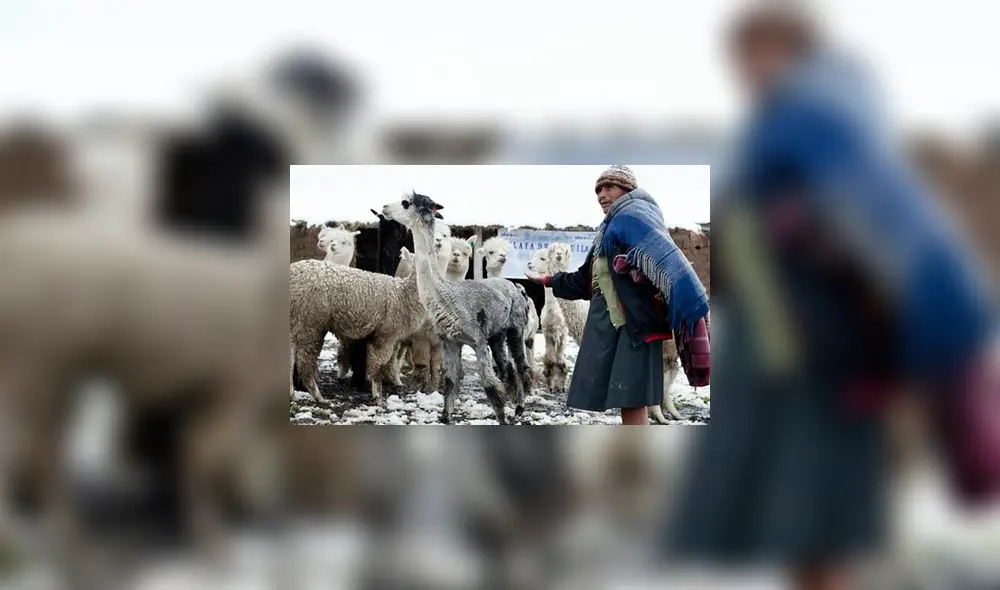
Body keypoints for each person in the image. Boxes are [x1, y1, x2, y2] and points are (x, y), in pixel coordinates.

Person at [665, 3, 997, 590]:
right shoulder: (814, 120)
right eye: (743, 56)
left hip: (828, 352)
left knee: (814, 518)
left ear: (796, 53)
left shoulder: (812, 123)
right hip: (810, 349)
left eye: (760, 53)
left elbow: (880, 239)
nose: (747, 70)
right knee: (810, 520)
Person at [526, 165, 710, 425]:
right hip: (615, 326)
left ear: (627, 189)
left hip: (635, 327)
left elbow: (668, 264)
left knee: (632, 401)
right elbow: (584, 280)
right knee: (627, 401)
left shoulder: (636, 217)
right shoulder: (607, 231)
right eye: (598, 190)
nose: (601, 194)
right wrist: (548, 279)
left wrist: (635, 266)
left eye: (608, 187)